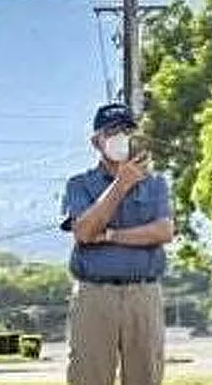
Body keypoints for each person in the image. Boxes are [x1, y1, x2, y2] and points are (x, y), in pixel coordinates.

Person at [60, 101, 175, 385]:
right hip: (95, 295)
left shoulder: (156, 183)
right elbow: (85, 231)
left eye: (126, 130)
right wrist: (120, 185)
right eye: (112, 131)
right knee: (89, 377)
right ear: (96, 141)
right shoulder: (79, 184)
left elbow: (163, 231)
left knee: (146, 376)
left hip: (143, 294)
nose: (120, 137)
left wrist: (111, 235)